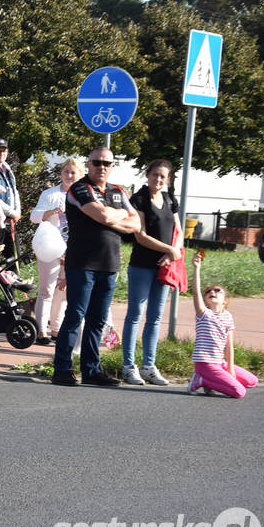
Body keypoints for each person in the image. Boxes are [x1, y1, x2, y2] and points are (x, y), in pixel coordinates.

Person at [51, 147, 140, 387]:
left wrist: (115, 216)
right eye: (97, 162)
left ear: (112, 166)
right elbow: (103, 217)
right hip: (82, 263)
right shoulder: (80, 188)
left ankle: (91, 370)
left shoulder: (120, 191)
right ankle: (62, 369)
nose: (102, 167)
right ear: (88, 164)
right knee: (75, 316)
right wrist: (118, 217)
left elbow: (136, 224)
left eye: (107, 163)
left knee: (97, 319)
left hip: (109, 264)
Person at [120, 159, 181, 386]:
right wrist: (169, 250)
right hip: (141, 265)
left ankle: (149, 366)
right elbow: (140, 235)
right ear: (147, 175)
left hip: (165, 266)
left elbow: (179, 230)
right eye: (155, 174)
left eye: (163, 176)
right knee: (135, 315)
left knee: (155, 318)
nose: (158, 179)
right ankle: (128, 367)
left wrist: (173, 253)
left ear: (168, 179)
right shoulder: (139, 199)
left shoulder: (170, 199)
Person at [188, 250, 257, 398]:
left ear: (225, 300)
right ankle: (200, 379)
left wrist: (230, 368)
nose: (212, 292)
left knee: (252, 381)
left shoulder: (228, 317)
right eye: (208, 292)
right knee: (239, 392)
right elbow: (195, 293)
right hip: (205, 364)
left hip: (221, 363)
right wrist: (196, 268)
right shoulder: (203, 314)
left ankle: (210, 381)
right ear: (205, 300)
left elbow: (229, 346)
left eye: (217, 290)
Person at [30, 158, 83, 345]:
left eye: (73, 172)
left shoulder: (83, 195)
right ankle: (40, 330)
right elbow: (34, 217)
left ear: (80, 175)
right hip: (50, 248)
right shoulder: (50, 194)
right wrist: (50, 212)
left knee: (63, 292)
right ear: (61, 173)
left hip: (73, 250)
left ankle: (56, 329)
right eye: (66, 171)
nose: (69, 175)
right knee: (47, 290)